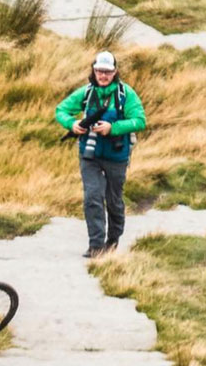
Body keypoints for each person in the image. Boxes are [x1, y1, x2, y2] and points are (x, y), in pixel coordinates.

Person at [55, 51, 146, 258]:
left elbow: (140, 121)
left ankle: (112, 240)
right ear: (93, 71)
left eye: (107, 72)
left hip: (117, 156)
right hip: (90, 154)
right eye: (99, 71)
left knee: (114, 200)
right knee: (92, 197)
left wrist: (111, 128)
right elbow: (61, 110)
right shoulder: (86, 93)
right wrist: (73, 124)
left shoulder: (126, 95)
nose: (103, 76)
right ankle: (96, 246)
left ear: (115, 72)